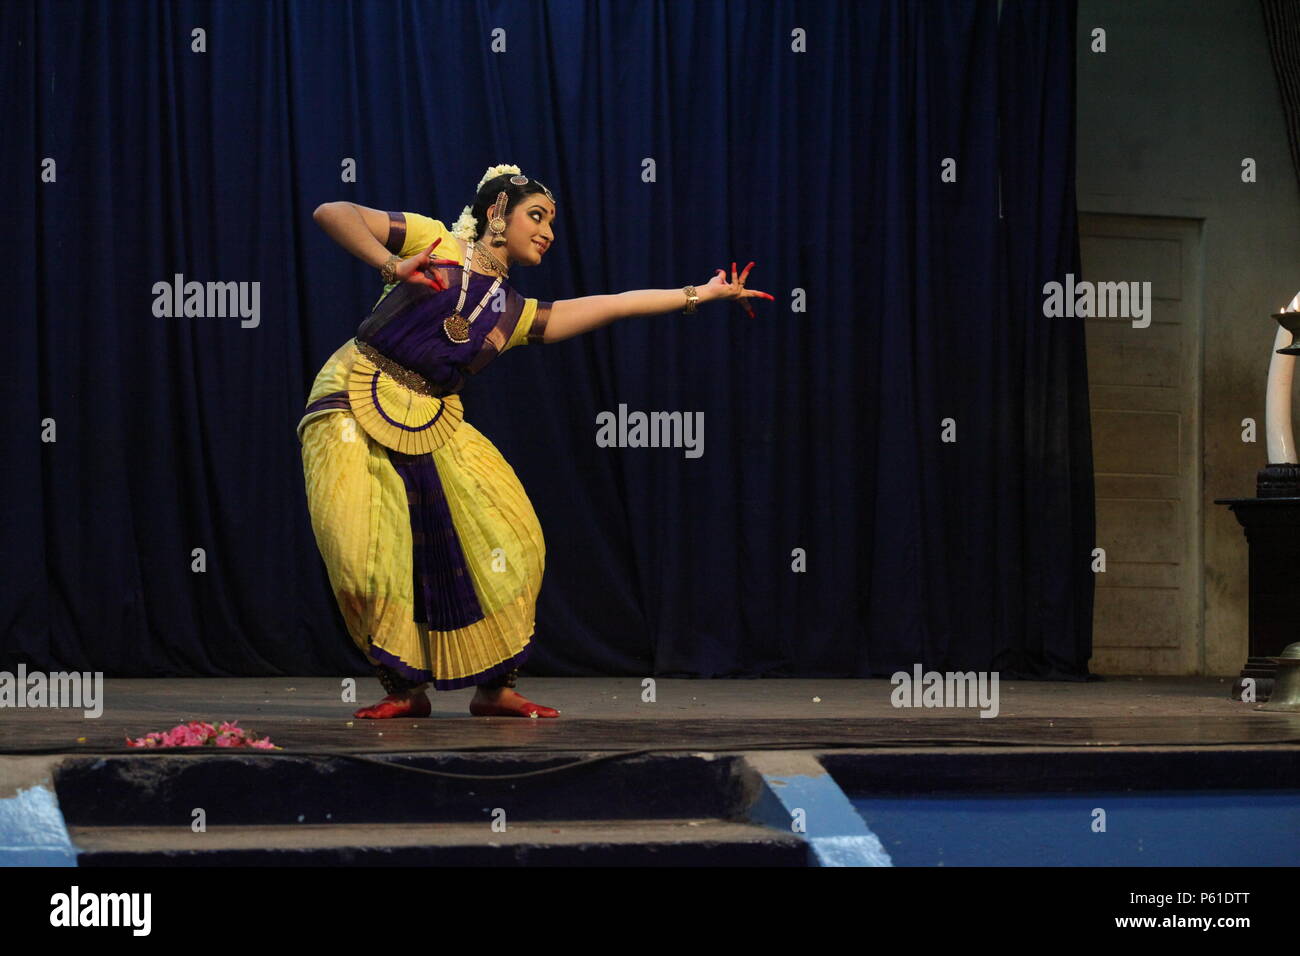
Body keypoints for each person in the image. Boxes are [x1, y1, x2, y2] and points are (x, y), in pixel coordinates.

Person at [299, 164, 772, 719]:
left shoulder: (516, 313)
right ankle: (403, 691)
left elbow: (616, 303)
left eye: (551, 222)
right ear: (497, 212)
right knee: (365, 556)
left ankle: (494, 688)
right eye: (537, 216)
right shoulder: (437, 240)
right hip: (355, 393)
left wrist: (700, 294)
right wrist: (391, 264)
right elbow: (332, 213)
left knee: (513, 543)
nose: (548, 231)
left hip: (435, 417)